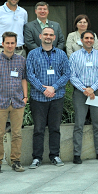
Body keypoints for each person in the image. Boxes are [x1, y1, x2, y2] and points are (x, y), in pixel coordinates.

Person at [26, 26, 71, 169]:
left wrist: (53, 88)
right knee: (38, 129)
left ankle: (55, 155)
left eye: (51, 35)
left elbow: (67, 74)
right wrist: (43, 89)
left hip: (57, 97)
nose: (48, 36)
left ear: (54, 37)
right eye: (45, 34)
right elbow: (29, 74)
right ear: (40, 36)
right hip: (38, 98)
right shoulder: (32, 54)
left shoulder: (61, 54)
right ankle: (37, 158)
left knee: (55, 128)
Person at [0, 31, 27, 174]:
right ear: (2, 44)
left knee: (17, 133)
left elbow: (23, 79)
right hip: (0, 102)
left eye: (12, 43)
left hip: (17, 102)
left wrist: (25, 97)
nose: (10, 45)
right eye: (7, 43)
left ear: (16, 44)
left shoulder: (21, 60)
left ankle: (16, 161)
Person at [69, 30, 98, 164]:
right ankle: (76, 154)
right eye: (86, 38)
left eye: (91, 38)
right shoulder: (74, 56)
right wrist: (84, 89)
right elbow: (72, 76)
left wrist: (93, 89)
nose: (89, 40)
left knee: (97, 124)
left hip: (96, 92)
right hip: (80, 93)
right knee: (79, 124)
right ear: (81, 40)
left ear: (94, 40)